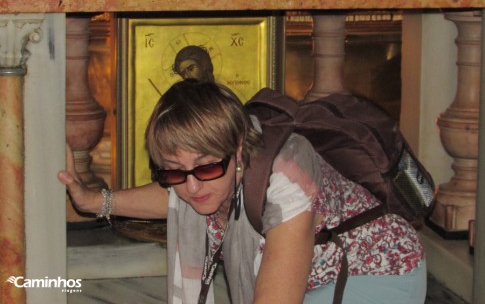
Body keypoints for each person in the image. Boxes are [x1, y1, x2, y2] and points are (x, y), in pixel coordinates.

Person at [58, 79, 427, 304]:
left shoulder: (288, 180)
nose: (191, 186)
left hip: (378, 274)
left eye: (206, 167)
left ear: (237, 151)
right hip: (321, 279)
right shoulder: (201, 178)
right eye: (173, 171)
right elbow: (174, 196)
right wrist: (94, 200)